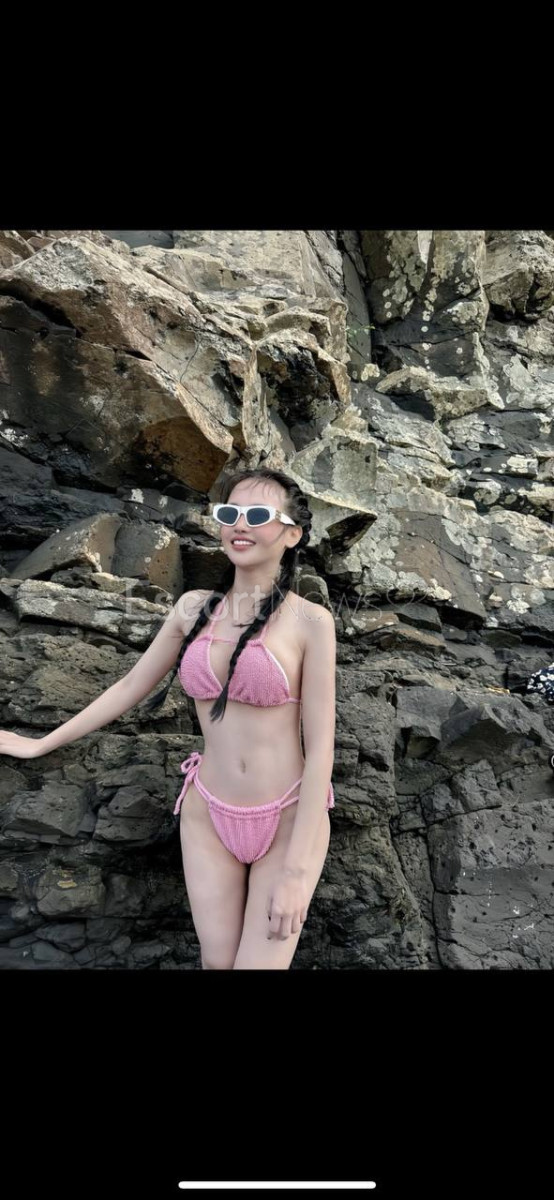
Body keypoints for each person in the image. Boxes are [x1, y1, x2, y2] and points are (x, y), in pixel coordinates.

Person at [0, 467, 336, 969]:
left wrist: (297, 871)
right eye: (230, 513)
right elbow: (129, 687)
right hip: (207, 813)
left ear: (292, 533)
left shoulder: (311, 622)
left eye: (258, 515)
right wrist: (39, 743)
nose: (239, 525)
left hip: (286, 817)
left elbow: (322, 748)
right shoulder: (191, 609)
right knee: (216, 964)